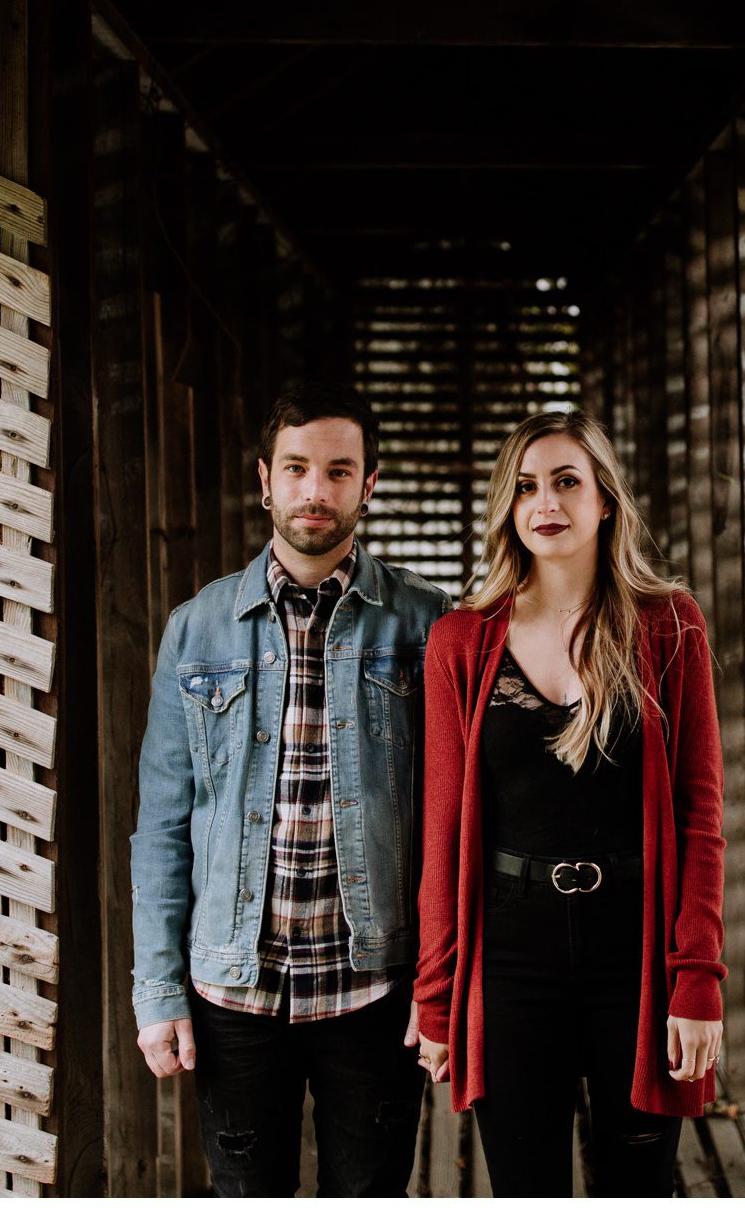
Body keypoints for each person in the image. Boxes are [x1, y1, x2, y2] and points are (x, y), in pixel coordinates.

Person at [130, 382, 451, 1196]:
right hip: (234, 991)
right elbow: (163, 825)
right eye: (298, 468)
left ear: (369, 485)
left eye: (339, 471)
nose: (317, 491)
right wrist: (157, 990)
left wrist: (441, 984)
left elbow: (455, 823)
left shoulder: (425, 624)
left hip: (374, 987)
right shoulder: (196, 629)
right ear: (265, 480)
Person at [411, 409, 726, 1197]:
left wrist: (697, 979)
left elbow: (701, 816)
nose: (544, 503)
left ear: (605, 500)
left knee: (640, 1182)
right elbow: (443, 831)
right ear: (508, 508)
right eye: (524, 488)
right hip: (512, 956)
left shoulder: (668, 627)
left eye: (565, 482)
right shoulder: (462, 640)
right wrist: (436, 993)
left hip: (635, 952)